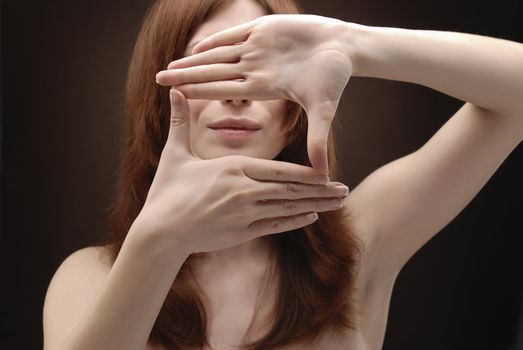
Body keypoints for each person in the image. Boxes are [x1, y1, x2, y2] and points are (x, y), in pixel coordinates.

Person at [42, 0, 523, 349]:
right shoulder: (87, 277)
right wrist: (157, 242)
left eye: (258, 67)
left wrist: (353, 44)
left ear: (296, 107)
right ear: (158, 95)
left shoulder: (362, 236)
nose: (237, 93)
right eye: (211, 63)